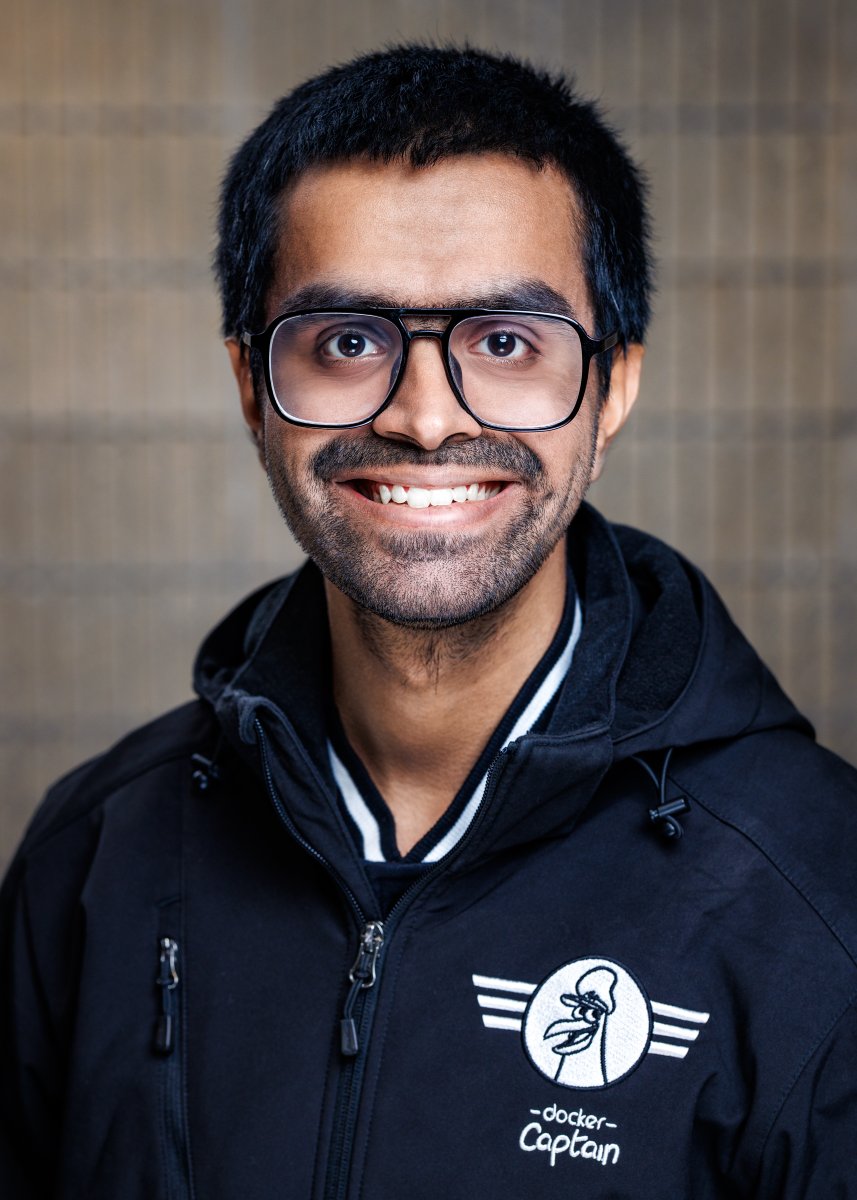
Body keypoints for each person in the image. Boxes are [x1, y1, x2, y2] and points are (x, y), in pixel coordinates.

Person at [1, 43, 855, 1200]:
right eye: (347, 341)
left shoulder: (815, 893)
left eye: (502, 342)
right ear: (251, 386)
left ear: (611, 389)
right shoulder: (96, 857)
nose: (423, 418)